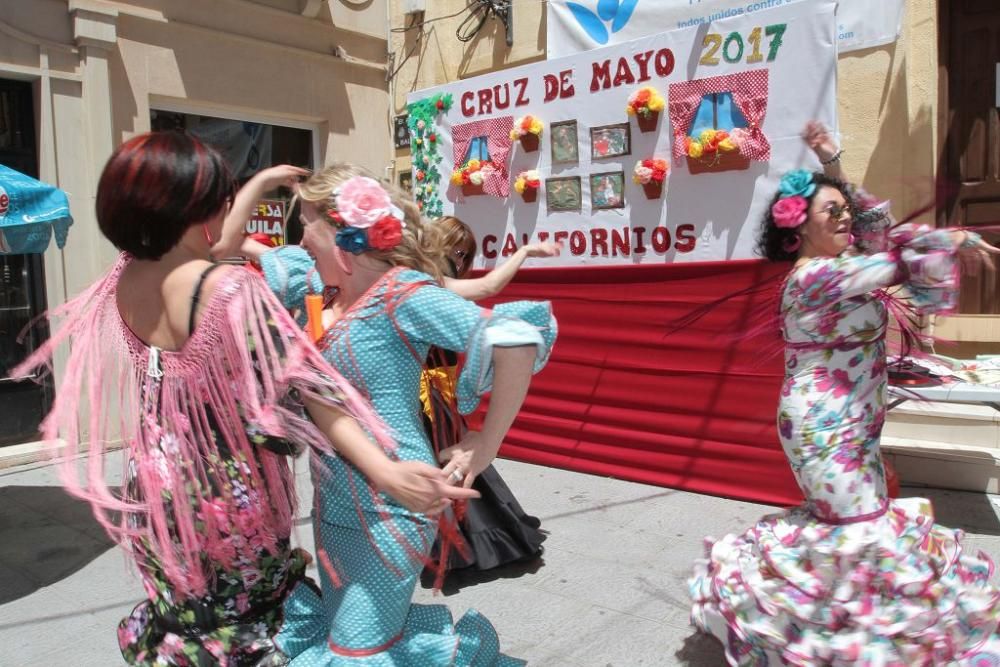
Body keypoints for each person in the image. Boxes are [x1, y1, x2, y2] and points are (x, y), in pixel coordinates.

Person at [13, 133, 475, 666]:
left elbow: (210, 246)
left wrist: (257, 183)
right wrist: (386, 470)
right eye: (221, 192)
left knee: (191, 617)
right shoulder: (230, 289)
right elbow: (314, 389)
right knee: (251, 626)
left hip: (154, 481)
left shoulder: (127, 274)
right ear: (197, 203)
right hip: (225, 493)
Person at [687, 124, 1000, 665]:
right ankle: (833, 642)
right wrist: (947, 240)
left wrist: (834, 164)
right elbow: (895, 261)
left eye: (843, 210)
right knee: (858, 532)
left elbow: (878, 233)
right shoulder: (812, 278)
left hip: (858, 421)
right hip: (822, 427)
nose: (845, 218)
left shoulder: (841, 264)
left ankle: (860, 638)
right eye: (831, 213)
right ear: (796, 228)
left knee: (863, 525)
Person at [236, 165, 556, 664]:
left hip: (395, 505)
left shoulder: (399, 293)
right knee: (352, 639)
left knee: (357, 649)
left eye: (306, 225)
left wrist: (484, 442)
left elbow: (515, 337)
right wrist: (263, 182)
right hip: (332, 504)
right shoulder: (325, 296)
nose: (300, 240)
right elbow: (225, 251)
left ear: (339, 231)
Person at [423, 216, 559, 572]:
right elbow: (488, 287)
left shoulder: (429, 282)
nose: (458, 257)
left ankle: (457, 540)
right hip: (423, 392)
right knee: (445, 458)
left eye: (463, 253)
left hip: (436, 389)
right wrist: (525, 251)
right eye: (455, 248)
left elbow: (488, 291)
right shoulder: (425, 282)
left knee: (453, 458)